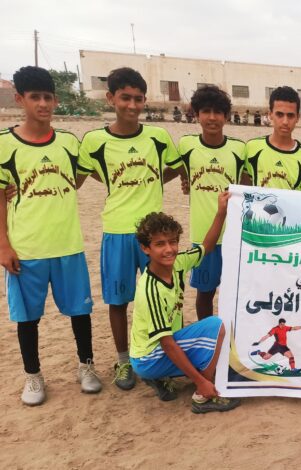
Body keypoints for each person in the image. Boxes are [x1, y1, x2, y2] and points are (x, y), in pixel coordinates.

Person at [79, 67, 187, 391]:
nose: (132, 105)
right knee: (119, 300)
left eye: (138, 99)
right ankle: (124, 360)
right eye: (125, 98)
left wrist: (156, 181)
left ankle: (165, 359)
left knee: (165, 298)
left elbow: (177, 168)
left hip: (155, 234)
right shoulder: (95, 141)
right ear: (110, 98)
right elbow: (79, 176)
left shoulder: (158, 137)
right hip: (117, 230)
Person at [0, 66, 102, 406]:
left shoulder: (70, 143)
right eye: (35, 97)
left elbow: (79, 177)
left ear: (55, 100)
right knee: (27, 317)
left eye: (47, 97)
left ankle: (86, 366)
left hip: (68, 244)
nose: (42, 104)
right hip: (27, 247)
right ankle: (33, 376)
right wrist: (3, 244)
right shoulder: (4, 144)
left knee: (80, 312)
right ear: (20, 99)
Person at [129, 192, 240, 413]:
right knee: (216, 326)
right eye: (160, 244)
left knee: (212, 344)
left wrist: (221, 212)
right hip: (148, 356)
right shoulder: (150, 289)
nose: (169, 249)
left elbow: (207, 246)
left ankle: (165, 377)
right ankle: (202, 395)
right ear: (145, 248)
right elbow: (167, 344)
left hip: (160, 348)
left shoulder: (178, 263)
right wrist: (201, 381)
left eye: (173, 242)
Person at [178, 85, 247, 319]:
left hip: (233, 235)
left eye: (218, 112)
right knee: (205, 293)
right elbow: (178, 169)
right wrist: (185, 181)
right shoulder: (186, 146)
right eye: (206, 111)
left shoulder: (239, 149)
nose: (212, 117)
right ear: (196, 114)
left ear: (226, 116)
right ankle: (207, 335)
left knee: (234, 293)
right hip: (202, 235)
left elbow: (247, 182)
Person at [244, 86, 301, 190]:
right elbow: (244, 188)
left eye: (290, 115)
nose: (285, 122)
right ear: (270, 114)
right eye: (280, 114)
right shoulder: (252, 148)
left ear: (297, 118)